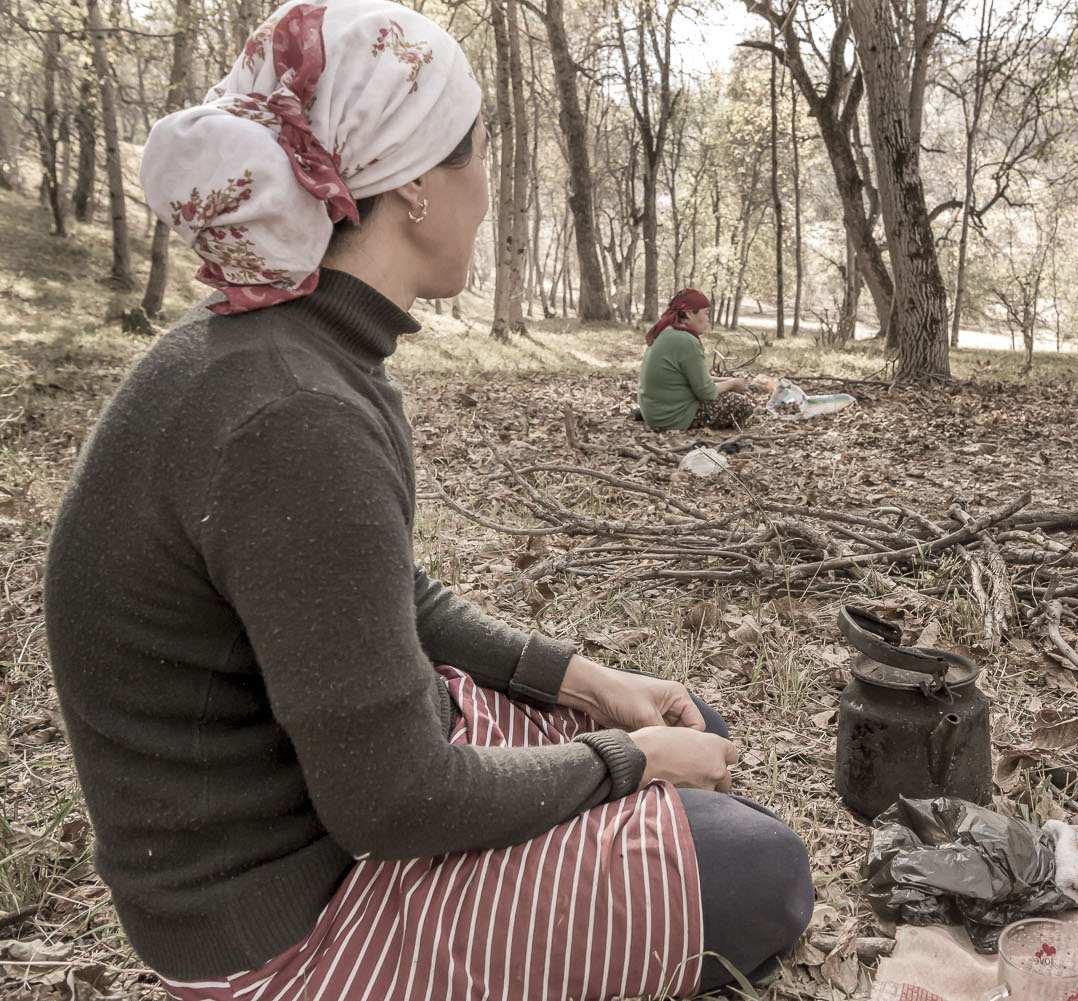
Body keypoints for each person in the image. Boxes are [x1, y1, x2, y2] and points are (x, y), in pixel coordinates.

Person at [42, 3, 812, 1000]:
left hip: (324, 810)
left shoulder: (296, 348)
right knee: (761, 872)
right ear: (412, 183)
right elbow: (395, 798)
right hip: (283, 923)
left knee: (687, 722)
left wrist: (588, 681)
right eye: (477, 160)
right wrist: (623, 756)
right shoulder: (292, 410)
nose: (486, 198)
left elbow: (388, 597)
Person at [637, 288, 756, 430]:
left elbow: (697, 379)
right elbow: (707, 392)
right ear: (688, 313)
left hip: (653, 412)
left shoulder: (667, 331)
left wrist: (728, 381)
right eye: (706, 313)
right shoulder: (687, 340)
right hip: (671, 418)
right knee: (742, 404)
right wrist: (733, 384)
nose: (708, 319)